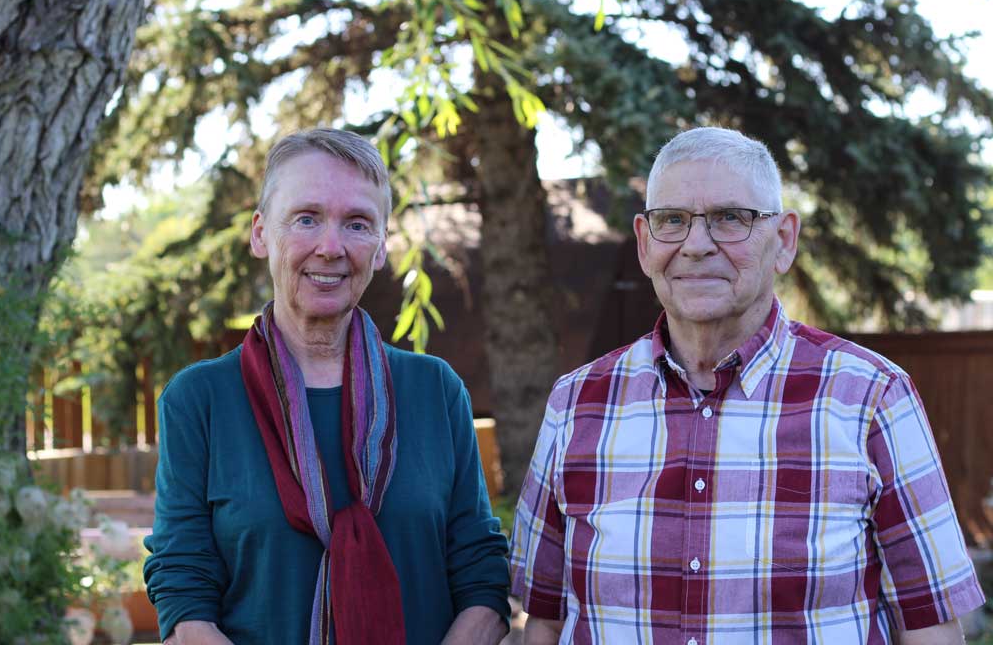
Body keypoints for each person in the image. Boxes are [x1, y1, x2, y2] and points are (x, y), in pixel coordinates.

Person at [509, 127, 984, 644]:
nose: (696, 245)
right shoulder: (576, 404)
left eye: (730, 218)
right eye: (673, 220)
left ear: (783, 241)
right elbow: (545, 622)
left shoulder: (872, 399)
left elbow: (930, 628)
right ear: (645, 244)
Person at [143, 128, 510, 645]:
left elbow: (482, 575)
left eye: (357, 224)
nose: (331, 247)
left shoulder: (435, 391)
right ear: (260, 234)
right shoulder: (199, 400)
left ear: (380, 247)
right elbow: (183, 589)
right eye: (306, 218)